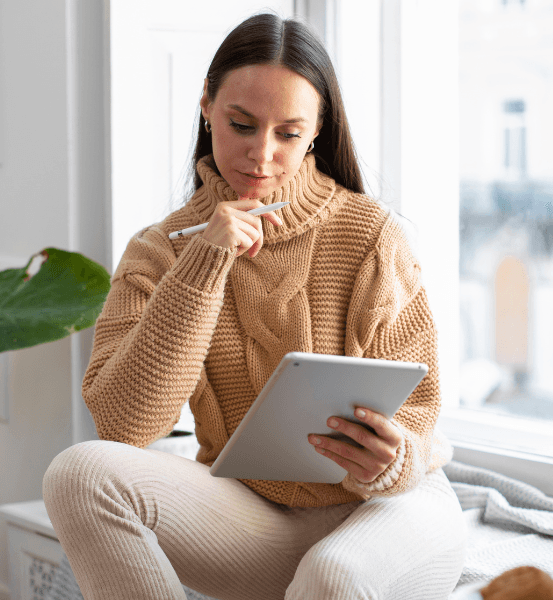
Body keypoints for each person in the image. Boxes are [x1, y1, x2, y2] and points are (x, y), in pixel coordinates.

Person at [43, 12, 466, 600]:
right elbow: (124, 425)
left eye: (288, 134)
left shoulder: (371, 235)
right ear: (206, 106)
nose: (261, 155)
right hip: (257, 517)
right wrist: (203, 265)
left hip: (392, 510)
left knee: (334, 576)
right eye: (241, 124)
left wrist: (394, 461)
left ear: (317, 132)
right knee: (77, 474)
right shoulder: (159, 250)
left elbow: (419, 413)